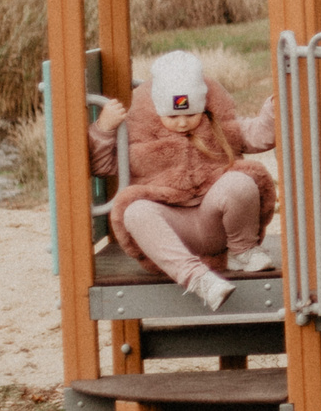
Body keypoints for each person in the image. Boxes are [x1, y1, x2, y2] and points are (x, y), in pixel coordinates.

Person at [90, 51, 278, 310]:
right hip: (172, 230)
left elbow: (258, 135)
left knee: (242, 182)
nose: (181, 123)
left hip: (217, 224)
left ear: (203, 107)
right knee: (134, 212)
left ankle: (242, 252)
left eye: (190, 114)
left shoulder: (218, 127)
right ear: (157, 111)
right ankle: (197, 279)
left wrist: (273, 113)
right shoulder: (139, 137)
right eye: (173, 116)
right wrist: (104, 128)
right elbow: (103, 165)